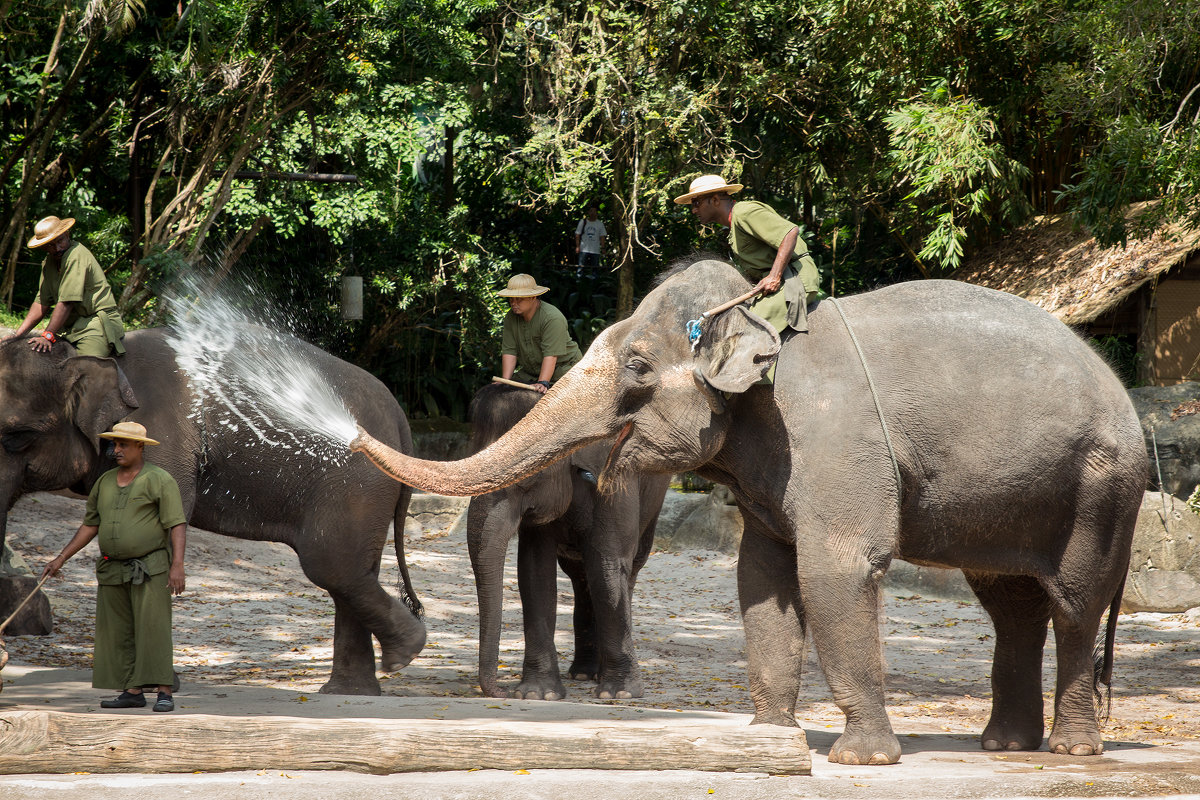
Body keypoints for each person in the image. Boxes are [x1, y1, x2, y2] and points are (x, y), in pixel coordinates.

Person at [41, 421, 187, 713]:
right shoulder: (105, 481)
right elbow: (90, 524)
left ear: (140, 447)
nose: (116, 450)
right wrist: (61, 558)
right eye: (114, 444)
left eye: (123, 445)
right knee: (119, 631)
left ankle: (164, 691)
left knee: (153, 628)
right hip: (112, 569)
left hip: (151, 567)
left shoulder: (160, 479)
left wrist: (177, 566)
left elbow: (176, 523)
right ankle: (131, 691)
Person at [674, 175, 821, 336]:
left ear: (715, 200)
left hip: (795, 279)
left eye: (697, 203)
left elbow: (790, 232)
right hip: (780, 282)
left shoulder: (744, 212)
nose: (694, 210)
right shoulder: (733, 225)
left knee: (748, 334)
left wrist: (774, 276)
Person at [6, 215, 126, 357]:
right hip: (70, 327)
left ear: (67, 235)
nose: (57, 248)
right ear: (43, 246)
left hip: (96, 323)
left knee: (86, 366)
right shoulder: (49, 263)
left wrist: (47, 335)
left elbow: (67, 302)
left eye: (60, 241)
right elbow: (41, 303)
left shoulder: (76, 255)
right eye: (50, 245)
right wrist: (17, 336)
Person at [497, 274, 582, 394]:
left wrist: (543, 382)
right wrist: (505, 381)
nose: (513, 303)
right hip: (530, 372)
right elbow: (510, 351)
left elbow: (551, 355)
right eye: (511, 298)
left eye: (519, 299)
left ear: (533, 297)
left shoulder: (551, 318)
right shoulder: (510, 317)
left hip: (563, 369)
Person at [574, 206, 607, 271]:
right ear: (588, 212)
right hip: (584, 249)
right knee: (581, 268)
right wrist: (577, 246)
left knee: (595, 268)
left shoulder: (600, 224)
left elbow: (602, 236)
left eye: (594, 211)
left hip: (595, 250)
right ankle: (579, 280)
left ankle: (594, 280)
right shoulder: (583, 222)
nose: (592, 213)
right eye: (591, 211)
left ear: (597, 213)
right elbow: (577, 234)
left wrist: (603, 248)